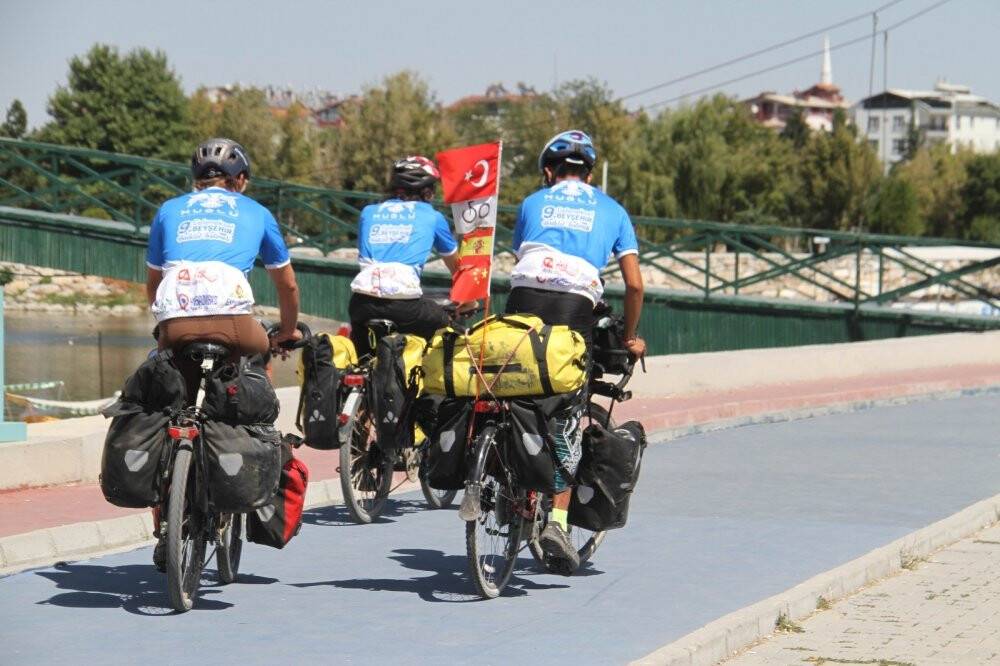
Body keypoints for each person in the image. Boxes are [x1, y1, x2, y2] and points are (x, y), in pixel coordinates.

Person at [145, 137, 302, 570]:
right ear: (241, 180)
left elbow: (154, 285)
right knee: (256, 359)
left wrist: (166, 328)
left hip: (175, 324)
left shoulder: (169, 210)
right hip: (234, 325)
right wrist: (286, 332)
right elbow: (287, 284)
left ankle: (165, 516)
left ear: (196, 180)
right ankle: (246, 426)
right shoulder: (256, 212)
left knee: (168, 403)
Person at [506, 129, 646, 575]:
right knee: (567, 408)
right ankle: (558, 523)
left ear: (549, 172)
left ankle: (496, 471)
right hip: (573, 307)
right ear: (588, 172)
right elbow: (635, 284)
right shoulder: (613, 210)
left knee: (514, 383)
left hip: (522, 299)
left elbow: (522, 260)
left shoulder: (532, 202)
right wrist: (630, 337)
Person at [347, 156, 460, 356]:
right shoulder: (433, 216)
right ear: (426, 192)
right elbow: (458, 270)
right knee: (446, 328)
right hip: (404, 305)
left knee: (361, 359)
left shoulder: (368, 212)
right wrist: (469, 300)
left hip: (361, 303)